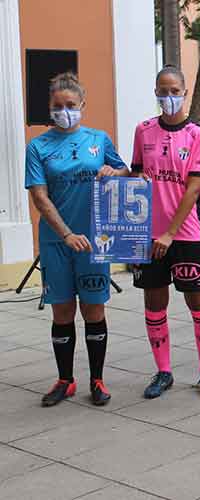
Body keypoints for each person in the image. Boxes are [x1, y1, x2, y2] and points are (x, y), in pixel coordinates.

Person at [25, 72, 129, 407]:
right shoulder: (37, 146)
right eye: (58, 105)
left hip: (96, 242)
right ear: (50, 107)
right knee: (63, 313)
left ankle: (97, 380)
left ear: (82, 105)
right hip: (58, 242)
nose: (64, 110)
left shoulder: (99, 139)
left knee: (94, 310)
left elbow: (126, 171)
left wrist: (116, 172)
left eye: (71, 105)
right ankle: (64, 380)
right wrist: (66, 234)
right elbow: (39, 197)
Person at [130, 65, 200, 400]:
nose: (167, 97)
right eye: (161, 90)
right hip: (148, 236)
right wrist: (118, 173)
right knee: (155, 302)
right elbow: (138, 174)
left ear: (185, 92)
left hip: (185, 235)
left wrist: (169, 233)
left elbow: (191, 190)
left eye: (173, 90)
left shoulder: (199, 136)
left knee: (198, 300)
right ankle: (163, 372)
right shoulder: (143, 131)